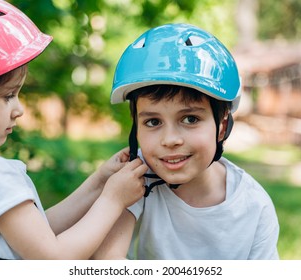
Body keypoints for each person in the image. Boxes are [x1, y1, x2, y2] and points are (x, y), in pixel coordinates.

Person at [0, 0, 147, 260]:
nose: (18, 109)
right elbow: (52, 259)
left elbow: (35, 235)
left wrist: (99, 183)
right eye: (8, 95)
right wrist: (113, 200)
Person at [92, 23, 279, 260]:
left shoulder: (254, 207)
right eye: (153, 122)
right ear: (136, 127)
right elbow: (107, 262)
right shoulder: (135, 182)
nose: (170, 140)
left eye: (190, 119)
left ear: (221, 127)